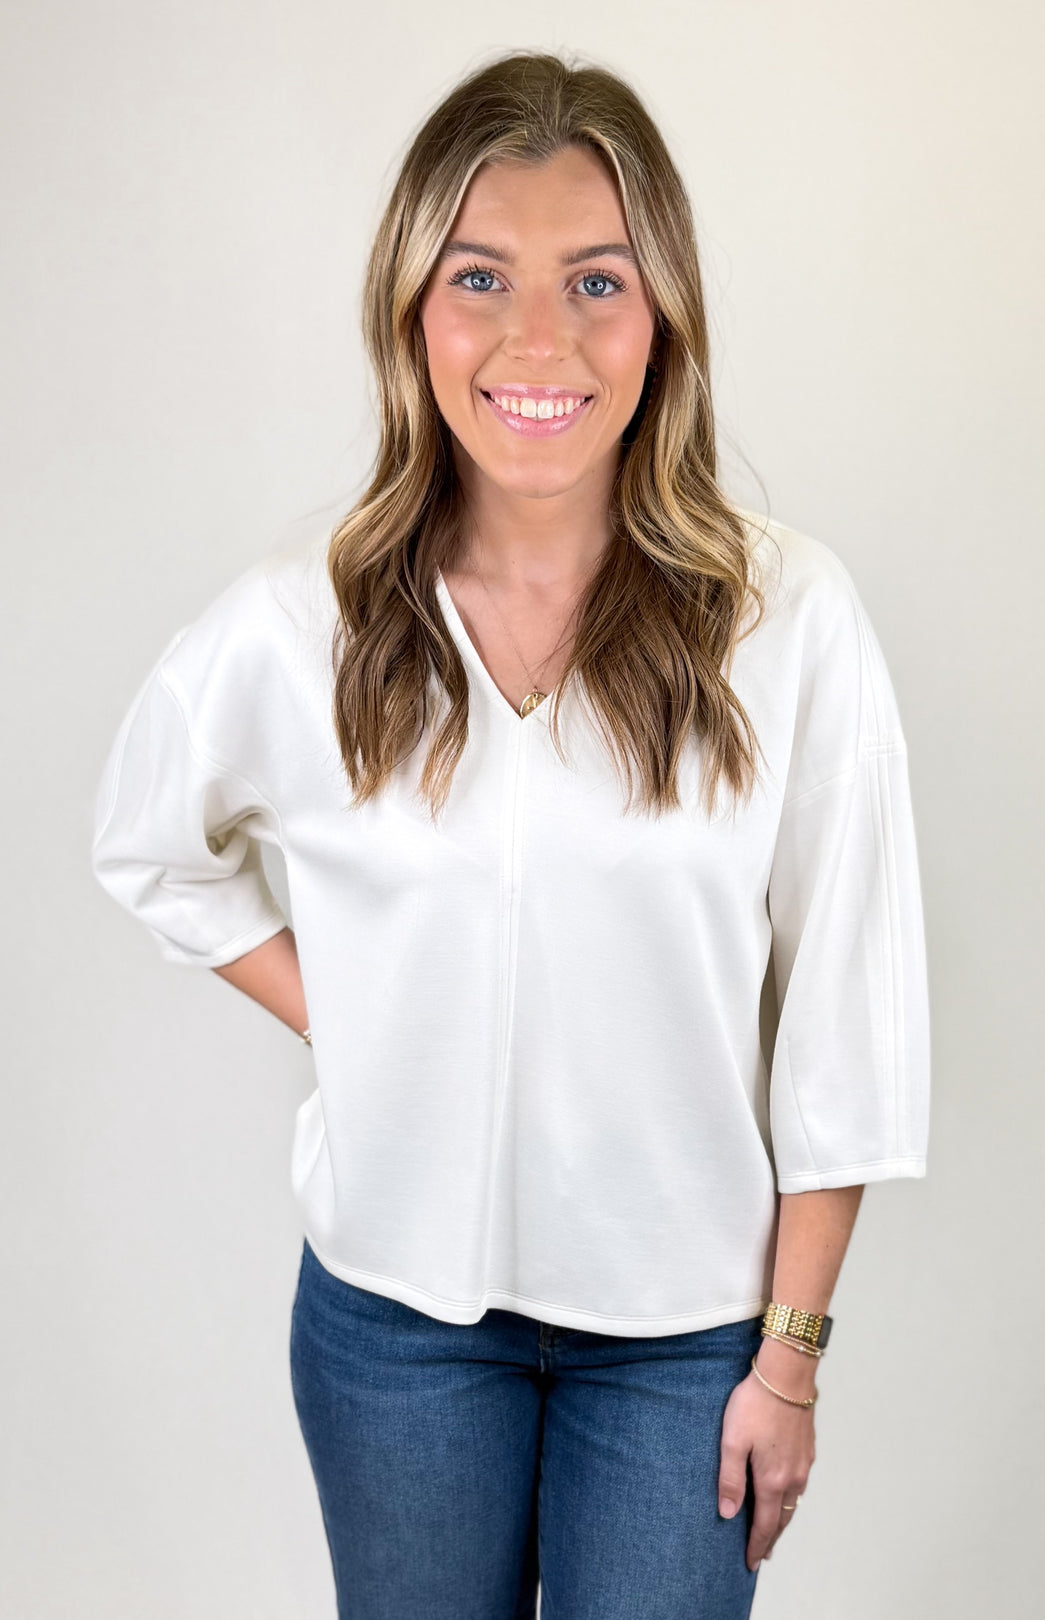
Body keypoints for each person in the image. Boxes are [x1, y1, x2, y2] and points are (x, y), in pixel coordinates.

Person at [89, 49, 931, 1620]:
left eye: (597, 280)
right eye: (481, 275)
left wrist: (791, 1362)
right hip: (394, 1330)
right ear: (412, 308)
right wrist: (356, 1007)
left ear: (664, 311)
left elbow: (850, 1022)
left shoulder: (789, 619)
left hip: (687, 1342)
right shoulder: (307, 623)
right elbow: (150, 847)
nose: (538, 339)